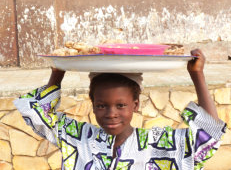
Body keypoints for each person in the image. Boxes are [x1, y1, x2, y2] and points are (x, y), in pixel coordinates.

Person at [14, 49, 226, 170]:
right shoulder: (78, 138)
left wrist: (197, 75)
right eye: (101, 105)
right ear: (93, 104)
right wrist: (58, 69)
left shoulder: (155, 144)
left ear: (135, 105)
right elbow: (35, 112)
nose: (111, 113)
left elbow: (207, 139)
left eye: (121, 105)